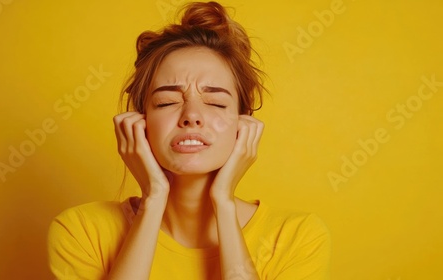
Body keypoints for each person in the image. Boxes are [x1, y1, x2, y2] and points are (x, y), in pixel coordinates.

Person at [47, 2, 331, 279]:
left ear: (243, 122)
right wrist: (153, 198)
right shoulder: (80, 230)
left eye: (216, 103)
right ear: (139, 120)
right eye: (167, 101)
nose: (192, 116)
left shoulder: (297, 237)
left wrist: (224, 202)